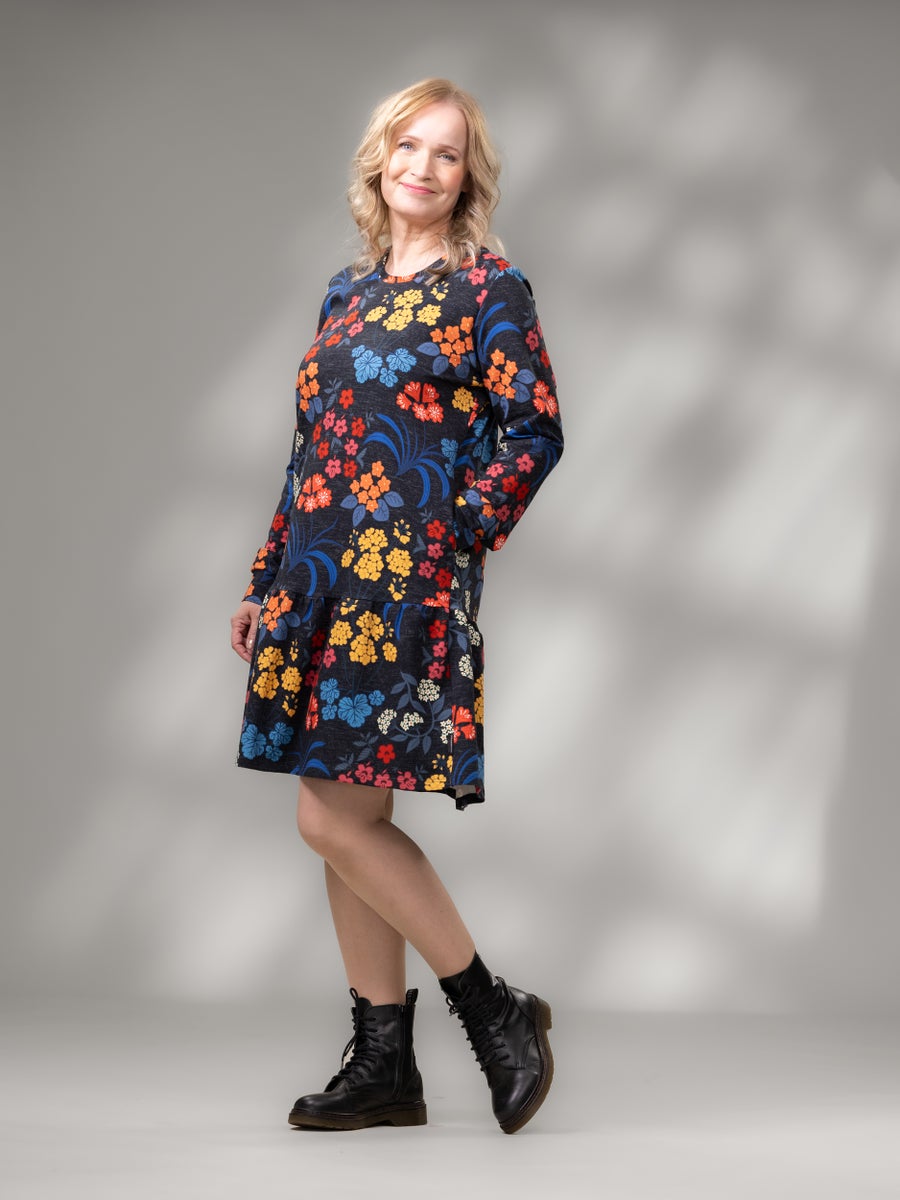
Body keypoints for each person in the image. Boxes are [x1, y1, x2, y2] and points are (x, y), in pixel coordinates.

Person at [230, 77, 563, 1135]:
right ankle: (385, 1065)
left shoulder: (490, 288)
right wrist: (266, 578)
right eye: (409, 146)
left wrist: (450, 528)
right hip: (318, 581)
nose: (424, 166)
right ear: (380, 159)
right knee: (347, 818)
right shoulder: (346, 293)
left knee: (329, 815)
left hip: (401, 583)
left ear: (468, 178)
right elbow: (310, 454)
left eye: (447, 153)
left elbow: (533, 429)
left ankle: (490, 1007)